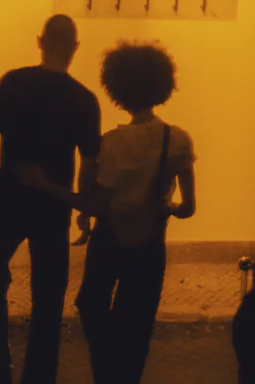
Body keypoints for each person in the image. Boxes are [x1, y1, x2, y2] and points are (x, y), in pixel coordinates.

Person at [0, 13, 102, 384]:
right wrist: (83, 209)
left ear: (40, 41)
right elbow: (89, 163)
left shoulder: (13, 82)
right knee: (48, 294)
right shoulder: (84, 100)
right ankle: (40, 374)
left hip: (8, 201)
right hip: (54, 208)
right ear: (74, 48)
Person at [72, 42, 196, 384]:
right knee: (137, 324)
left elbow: (96, 205)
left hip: (110, 240)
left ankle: (106, 374)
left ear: (118, 90)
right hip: (151, 244)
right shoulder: (179, 141)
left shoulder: (112, 143)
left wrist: (47, 188)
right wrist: (166, 206)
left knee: (91, 305)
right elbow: (188, 208)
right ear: (162, 86)